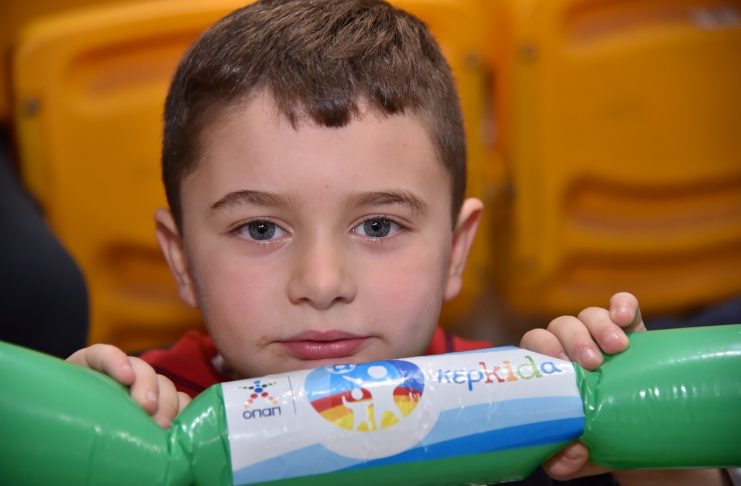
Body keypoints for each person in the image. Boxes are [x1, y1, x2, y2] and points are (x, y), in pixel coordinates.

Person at [66, 1, 727, 484]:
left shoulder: (528, 419)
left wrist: (657, 454)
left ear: (455, 250)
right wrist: (71, 440)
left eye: (378, 226)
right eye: (260, 229)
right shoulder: (148, 416)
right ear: (182, 258)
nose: (322, 284)